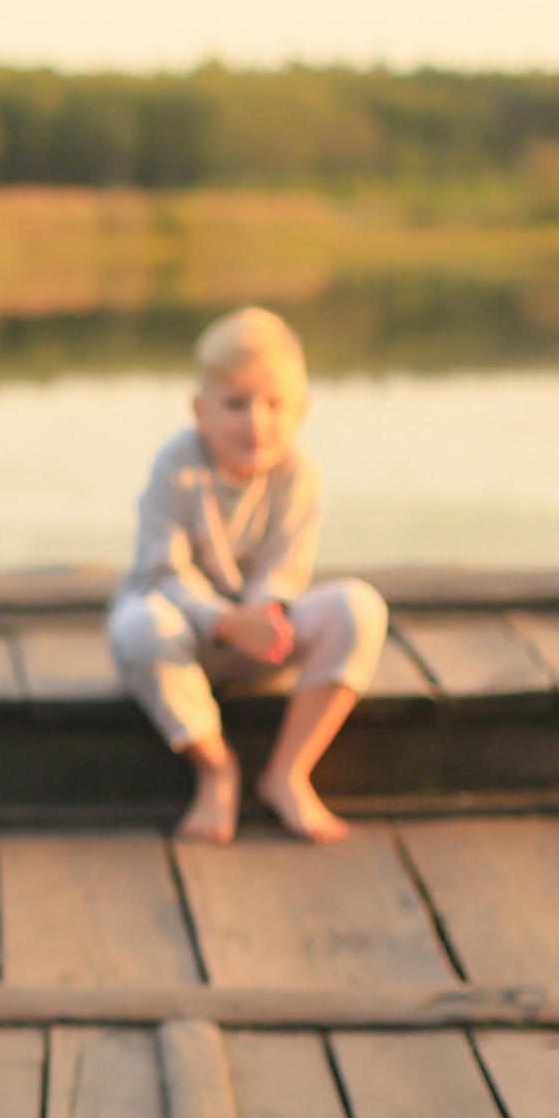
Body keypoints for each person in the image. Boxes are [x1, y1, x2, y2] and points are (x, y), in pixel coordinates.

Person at [106, 306, 387, 844]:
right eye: (235, 404)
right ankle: (216, 768)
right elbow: (163, 571)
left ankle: (287, 772)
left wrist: (265, 613)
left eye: (274, 404)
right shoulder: (177, 464)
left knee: (359, 608)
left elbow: (288, 565)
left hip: (264, 636)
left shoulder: (298, 470)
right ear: (199, 410)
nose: (256, 421)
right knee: (138, 625)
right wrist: (226, 619)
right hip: (184, 633)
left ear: (302, 411)